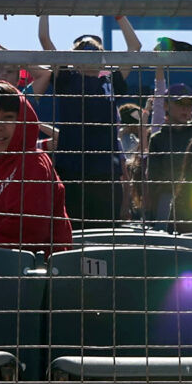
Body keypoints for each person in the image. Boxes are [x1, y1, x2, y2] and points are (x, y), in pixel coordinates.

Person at [38, 14, 142, 228]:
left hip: (105, 172)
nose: (89, 52)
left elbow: (135, 46)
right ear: (73, 59)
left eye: (94, 50)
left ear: (102, 57)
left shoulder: (110, 82)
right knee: (72, 232)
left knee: (104, 235)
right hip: (71, 169)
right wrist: (45, 8)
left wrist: (119, 14)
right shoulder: (66, 79)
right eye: (82, 50)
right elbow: (45, 40)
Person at [0, 82, 72, 255]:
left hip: (40, 275)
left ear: (23, 121)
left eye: (8, 117)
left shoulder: (35, 162)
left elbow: (28, 232)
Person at [140, 91, 192, 225]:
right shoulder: (158, 138)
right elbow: (152, 176)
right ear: (166, 106)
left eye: (189, 105)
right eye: (180, 104)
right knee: (165, 237)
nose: (185, 109)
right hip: (168, 197)